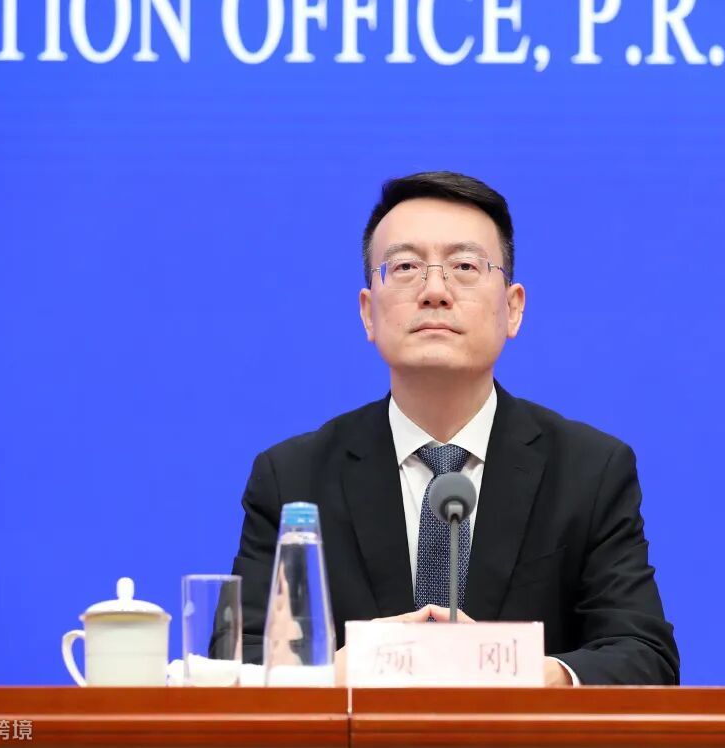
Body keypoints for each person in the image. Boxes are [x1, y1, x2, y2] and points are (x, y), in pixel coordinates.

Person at [231, 171, 679, 686]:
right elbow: (239, 664)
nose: (435, 291)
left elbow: (644, 656)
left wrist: (521, 673)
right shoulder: (292, 478)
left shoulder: (588, 471)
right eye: (406, 267)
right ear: (368, 313)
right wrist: (333, 674)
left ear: (512, 308)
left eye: (464, 266)